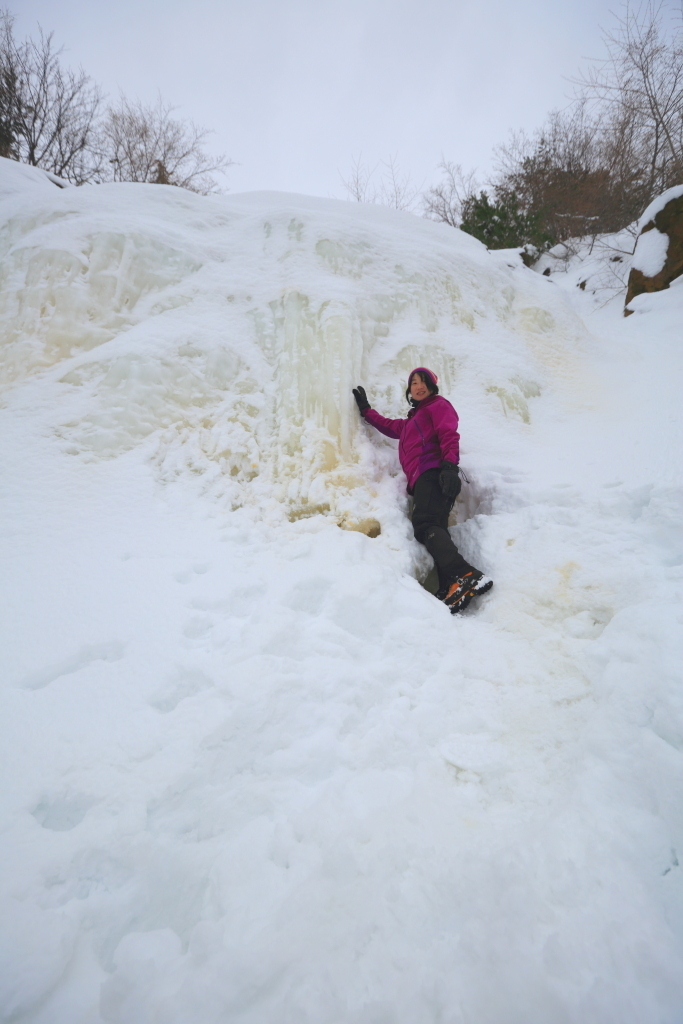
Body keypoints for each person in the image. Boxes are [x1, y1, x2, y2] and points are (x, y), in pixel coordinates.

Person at [353, 367, 493, 614]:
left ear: (432, 386)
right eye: (413, 382)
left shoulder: (438, 406)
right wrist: (366, 410)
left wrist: (449, 467)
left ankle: (465, 574)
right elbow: (386, 425)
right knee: (435, 528)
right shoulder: (409, 424)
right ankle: (453, 584)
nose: (418, 386)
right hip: (425, 479)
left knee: (425, 525)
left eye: (423, 381)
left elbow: (449, 434)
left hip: (434, 473)